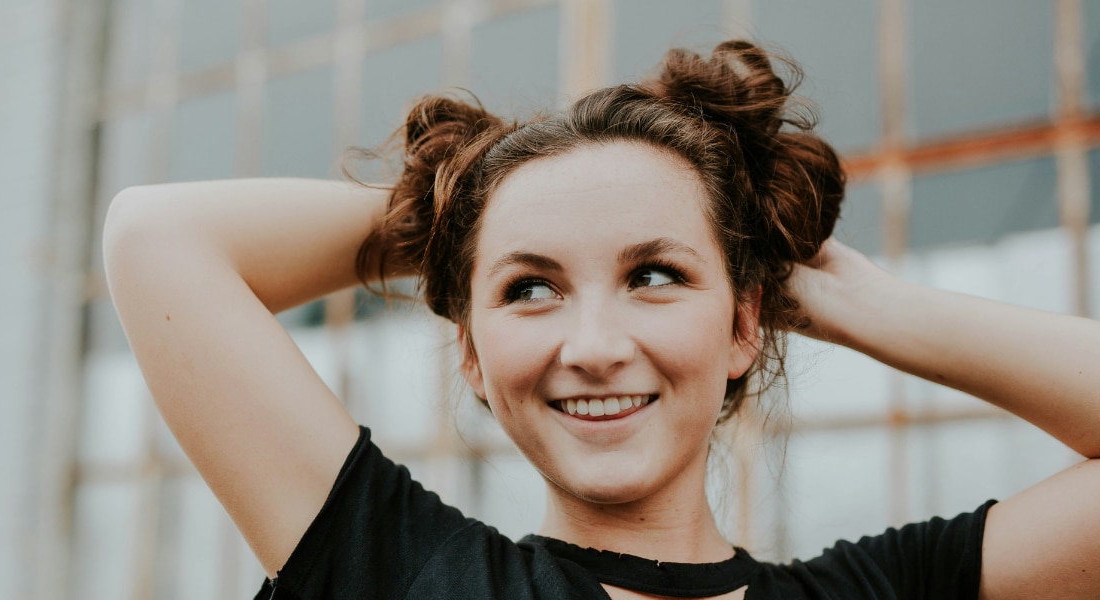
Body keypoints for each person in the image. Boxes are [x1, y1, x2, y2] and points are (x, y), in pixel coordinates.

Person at [102, 41, 1100, 599]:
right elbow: (159, 240)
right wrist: (468, 209)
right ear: (474, 357)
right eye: (528, 289)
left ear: (747, 323)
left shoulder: (887, 597)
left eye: (656, 275)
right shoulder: (405, 579)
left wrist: (865, 305)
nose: (592, 347)